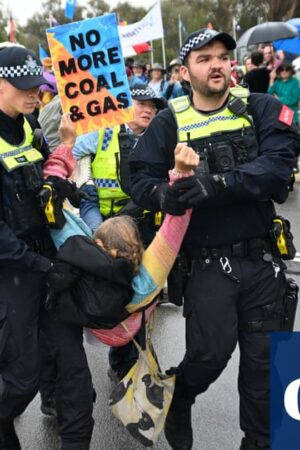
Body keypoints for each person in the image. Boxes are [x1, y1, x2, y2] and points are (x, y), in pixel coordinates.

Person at [129, 27, 299, 450]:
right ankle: (179, 397)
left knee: (273, 372)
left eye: (222, 56)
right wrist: (163, 195)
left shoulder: (259, 106)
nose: (217, 64)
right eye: (204, 59)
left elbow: (279, 167)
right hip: (207, 266)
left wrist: (215, 184)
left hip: (263, 264)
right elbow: (135, 174)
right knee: (207, 359)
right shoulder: (170, 119)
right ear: (185, 72)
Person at [0, 45, 75, 448]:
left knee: (52, 358)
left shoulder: (29, 125)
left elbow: (42, 177)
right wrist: (41, 266)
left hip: (40, 257)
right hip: (12, 270)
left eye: (38, 87)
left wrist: (59, 181)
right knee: (20, 375)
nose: (35, 94)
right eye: (25, 86)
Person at [72, 84, 166, 380]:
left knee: (144, 297)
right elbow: (76, 162)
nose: (148, 109)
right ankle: (119, 354)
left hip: (142, 226)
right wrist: (99, 233)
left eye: (153, 104)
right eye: (141, 103)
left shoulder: (158, 137)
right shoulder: (101, 130)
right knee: (114, 294)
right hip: (103, 225)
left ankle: (130, 359)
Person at [268, 61, 300, 125]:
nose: (284, 71)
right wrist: (271, 79)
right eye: (282, 69)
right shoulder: (277, 82)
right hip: (279, 115)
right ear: (279, 72)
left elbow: (293, 99)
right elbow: (270, 93)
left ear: (291, 71)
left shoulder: (296, 82)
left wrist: (278, 99)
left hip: (291, 116)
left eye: (287, 69)